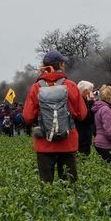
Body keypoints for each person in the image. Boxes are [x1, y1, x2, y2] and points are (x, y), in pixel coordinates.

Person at [21, 50, 87, 183]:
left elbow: (27, 117)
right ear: (60, 64)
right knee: (69, 185)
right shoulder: (70, 85)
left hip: (44, 143)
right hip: (67, 142)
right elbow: (82, 114)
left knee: (46, 186)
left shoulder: (36, 88)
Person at [92, 85, 111, 164]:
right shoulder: (106, 109)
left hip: (101, 143)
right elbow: (110, 131)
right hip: (106, 144)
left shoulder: (102, 108)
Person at [75, 81, 96, 158]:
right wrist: (91, 103)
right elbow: (88, 119)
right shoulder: (82, 103)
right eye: (91, 91)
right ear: (85, 91)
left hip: (81, 136)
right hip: (82, 137)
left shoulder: (79, 101)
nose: (92, 93)